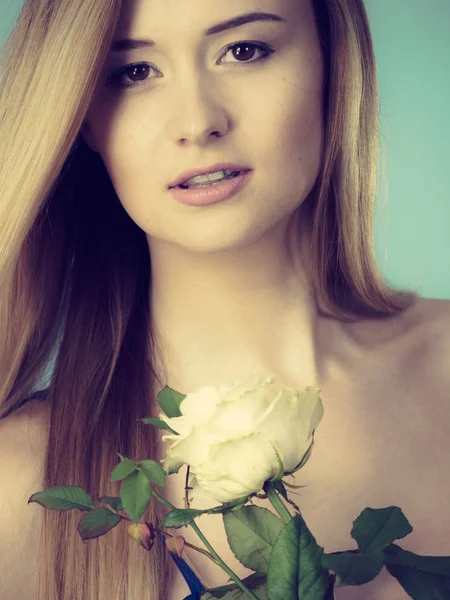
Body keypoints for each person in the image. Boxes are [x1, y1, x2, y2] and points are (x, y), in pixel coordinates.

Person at [1, 0, 449, 599]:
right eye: (134, 72)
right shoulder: (18, 485)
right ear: (82, 115)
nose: (197, 121)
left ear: (333, 64)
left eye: (243, 51)